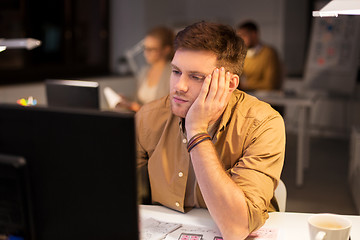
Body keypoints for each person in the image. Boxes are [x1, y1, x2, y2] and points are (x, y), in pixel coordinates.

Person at [136, 21, 285, 240]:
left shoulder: (263, 123)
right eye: (176, 71)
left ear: (230, 83)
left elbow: (236, 228)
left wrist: (196, 130)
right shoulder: (149, 117)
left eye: (196, 77)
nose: (179, 86)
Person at [115, 26, 175, 112]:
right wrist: (126, 99)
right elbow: (139, 100)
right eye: (145, 48)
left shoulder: (172, 73)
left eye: (151, 49)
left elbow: (167, 109)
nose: (146, 53)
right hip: (142, 121)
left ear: (166, 50)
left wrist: (139, 108)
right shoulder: (144, 71)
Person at [236, 20, 283, 91]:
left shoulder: (268, 53)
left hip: (267, 96)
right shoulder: (242, 53)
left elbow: (270, 84)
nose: (241, 39)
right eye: (239, 36)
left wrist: (245, 85)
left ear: (254, 34)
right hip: (249, 94)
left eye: (244, 35)